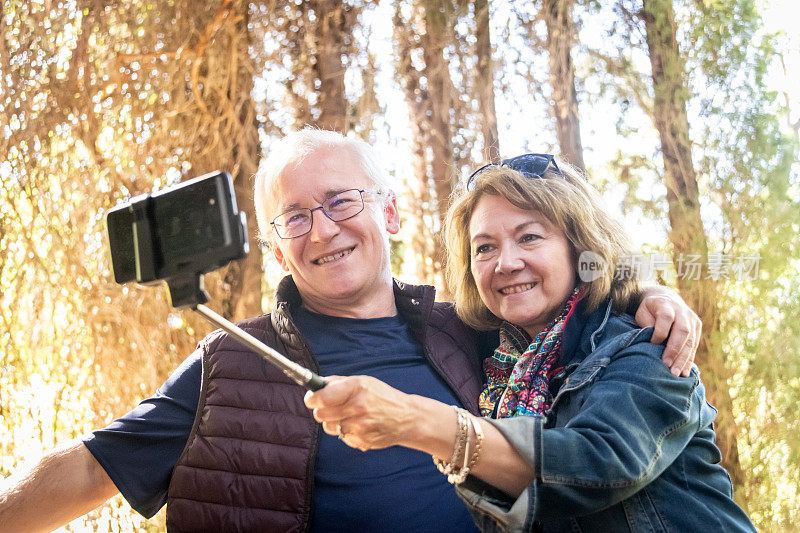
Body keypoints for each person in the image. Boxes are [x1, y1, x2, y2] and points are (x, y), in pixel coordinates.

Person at [0, 131, 700, 532]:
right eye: (295, 216)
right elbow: (94, 466)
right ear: (278, 249)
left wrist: (644, 289)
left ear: (390, 214)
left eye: (340, 201)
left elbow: (557, 305)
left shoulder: (471, 329)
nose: (323, 228)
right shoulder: (233, 359)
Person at [305, 155, 755, 531]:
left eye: (529, 237)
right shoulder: (490, 355)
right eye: (484, 248)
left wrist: (419, 422)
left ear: (581, 248)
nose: (506, 262)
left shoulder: (648, 346)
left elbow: (595, 463)